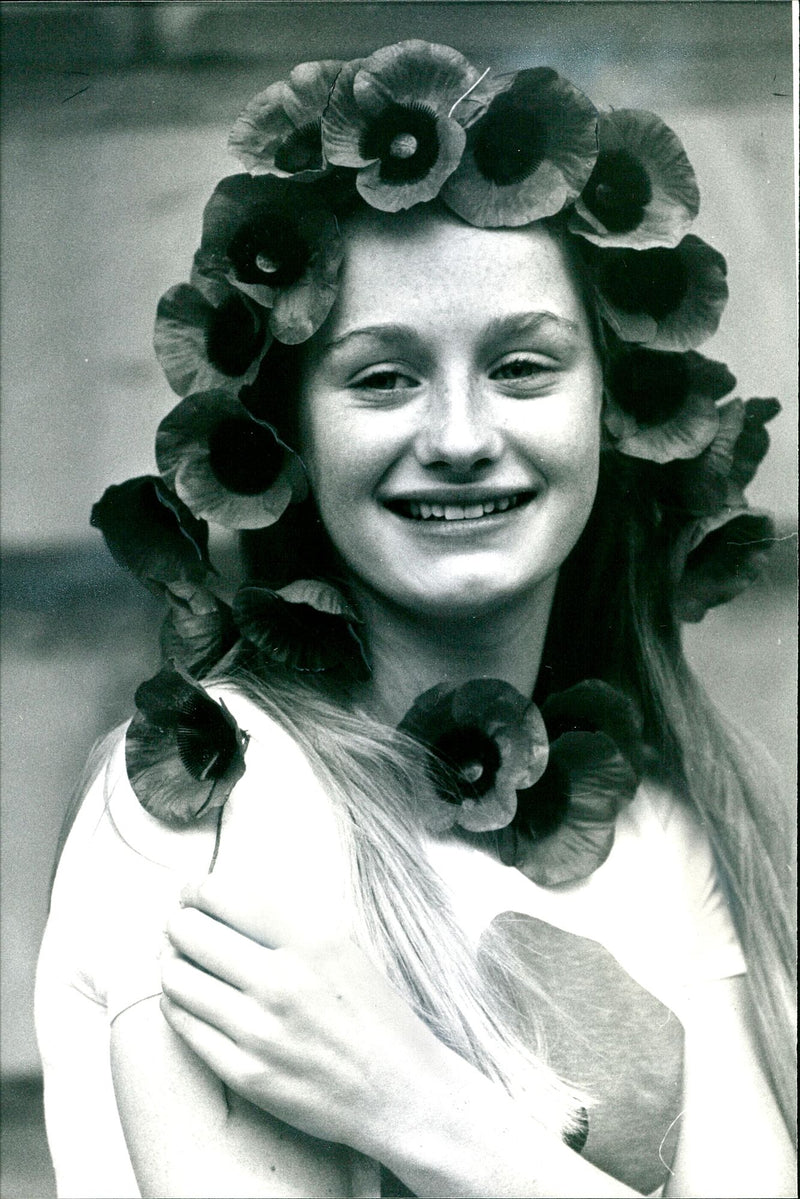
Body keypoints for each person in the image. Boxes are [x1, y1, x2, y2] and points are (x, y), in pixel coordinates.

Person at [35, 40, 795, 1199]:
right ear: (290, 429)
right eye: (382, 377)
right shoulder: (223, 791)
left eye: (524, 366)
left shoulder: (657, 825)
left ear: (611, 404)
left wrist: (422, 1108)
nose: (456, 434)